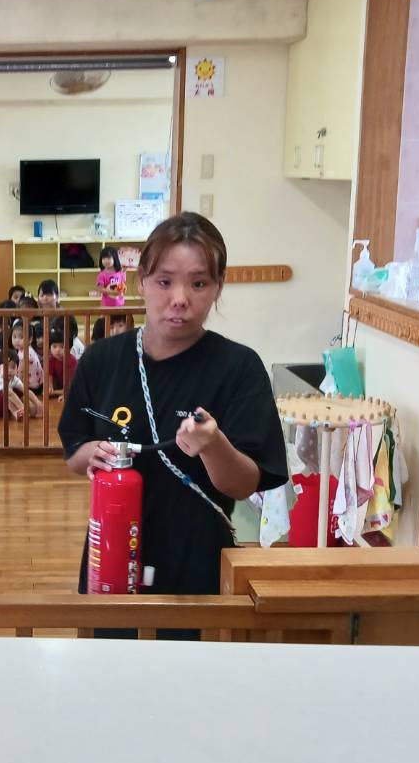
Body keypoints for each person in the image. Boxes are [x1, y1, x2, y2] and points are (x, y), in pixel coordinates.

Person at [58, 212, 287, 600]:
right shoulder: (101, 360)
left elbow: (245, 484)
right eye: (164, 281)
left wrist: (213, 445)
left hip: (197, 566)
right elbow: (74, 452)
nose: (180, 299)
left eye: (198, 283)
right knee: (106, 638)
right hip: (111, 556)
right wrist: (93, 454)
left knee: (190, 641)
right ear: (142, 282)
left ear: (218, 287)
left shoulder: (239, 368)